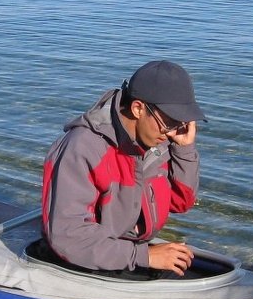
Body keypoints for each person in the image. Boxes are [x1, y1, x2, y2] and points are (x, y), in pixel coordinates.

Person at [39, 59, 203, 277]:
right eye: (170, 123)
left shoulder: (157, 139)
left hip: (128, 251)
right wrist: (146, 257)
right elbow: (68, 236)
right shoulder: (83, 148)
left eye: (180, 123)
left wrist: (185, 150)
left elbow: (181, 202)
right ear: (138, 109)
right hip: (85, 261)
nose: (173, 132)